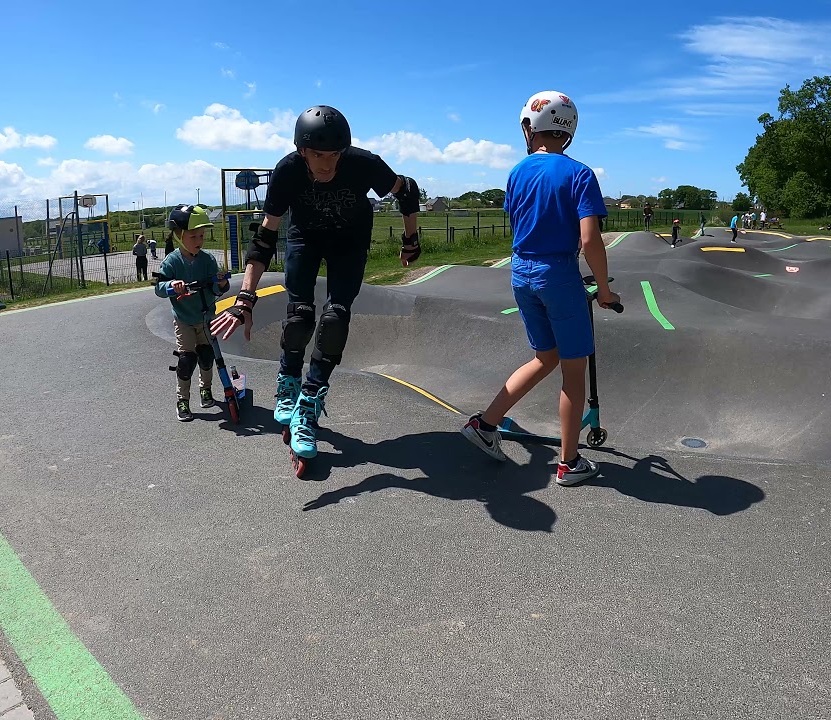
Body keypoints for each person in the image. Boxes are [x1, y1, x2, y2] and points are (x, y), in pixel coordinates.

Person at [211, 105, 423, 461]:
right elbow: (264, 238)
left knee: (337, 315)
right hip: (305, 239)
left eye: (334, 156)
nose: (327, 165)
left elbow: (407, 190)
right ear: (301, 151)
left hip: (349, 241)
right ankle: (288, 379)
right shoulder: (287, 172)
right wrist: (245, 296)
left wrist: (411, 239)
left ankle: (309, 401)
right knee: (300, 315)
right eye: (318, 156)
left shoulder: (364, 164)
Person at [459, 90, 619, 487]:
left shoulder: (516, 172)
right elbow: (590, 239)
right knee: (573, 371)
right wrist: (604, 290)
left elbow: (520, 222)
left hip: (521, 272)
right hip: (559, 274)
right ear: (569, 131)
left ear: (530, 128)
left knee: (544, 356)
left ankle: (486, 423)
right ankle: (568, 463)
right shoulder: (579, 174)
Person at [154, 205, 231, 421]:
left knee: (207, 357)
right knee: (187, 360)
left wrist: (221, 283)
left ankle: (205, 389)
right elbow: (159, 288)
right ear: (179, 236)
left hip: (206, 317)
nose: (199, 240)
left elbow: (216, 289)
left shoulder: (207, 260)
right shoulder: (172, 261)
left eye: (202, 235)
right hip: (184, 320)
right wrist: (172, 285)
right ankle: (182, 399)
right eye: (194, 236)